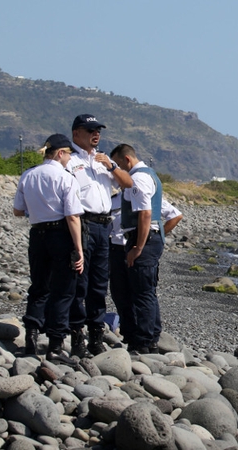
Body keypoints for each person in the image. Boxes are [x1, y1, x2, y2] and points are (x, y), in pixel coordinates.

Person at [13, 134, 85, 357]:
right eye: (69, 154)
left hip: (38, 233)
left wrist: (37, 209)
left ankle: (31, 336)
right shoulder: (66, 178)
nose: (69, 159)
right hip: (60, 234)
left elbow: (17, 210)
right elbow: (73, 216)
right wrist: (79, 249)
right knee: (63, 290)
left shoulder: (28, 174)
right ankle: (55, 343)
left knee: (39, 286)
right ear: (61, 153)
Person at [67, 114, 132, 357]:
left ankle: (95, 336)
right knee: (79, 282)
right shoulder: (70, 160)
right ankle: (76, 338)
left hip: (104, 226)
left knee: (98, 284)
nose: (96, 134)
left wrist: (112, 166)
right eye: (90, 130)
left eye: (98, 130)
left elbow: (127, 184)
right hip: (82, 224)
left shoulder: (102, 160)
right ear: (77, 134)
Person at [110, 143, 165, 354]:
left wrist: (138, 247)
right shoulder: (146, 175)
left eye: (118, 166)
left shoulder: (140, 178)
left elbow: (145, 214)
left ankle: (144, 341)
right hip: (144, 236)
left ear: (126, 161)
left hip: (143, 238)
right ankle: (149, 337)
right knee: (144, 290)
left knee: (142, 292)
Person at [108, 192, 182, 352]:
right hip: (115, 249)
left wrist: (155, 237)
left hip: (136, 248)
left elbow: (175, 216)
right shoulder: (110, 198)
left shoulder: (143, 194)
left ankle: (149, 338)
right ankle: (130, 336)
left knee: (143, 293)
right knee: (119, 294)